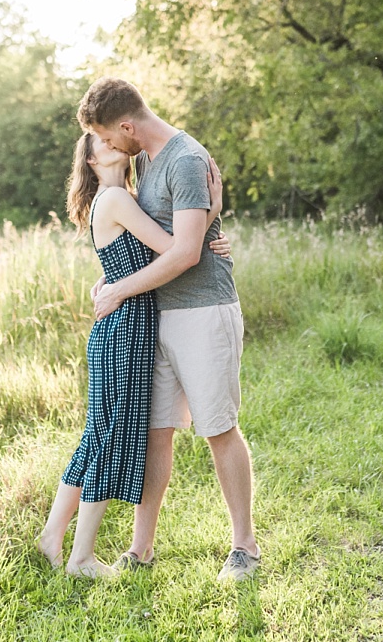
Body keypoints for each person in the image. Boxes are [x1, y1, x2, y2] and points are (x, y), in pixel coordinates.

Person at [78, 77, 261, 583]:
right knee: (157, 433)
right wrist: (114, 277)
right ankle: (141, 549)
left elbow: (184, 252)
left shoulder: (184, 158)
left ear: (127, 125)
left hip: (203, 311)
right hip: (155, 315)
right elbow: (150, 237)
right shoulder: (143, 160)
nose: (109, 147)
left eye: (109, 137)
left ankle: (244, 547)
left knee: (217, 427)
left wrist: (119, 291)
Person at [38, 130, 229, 578]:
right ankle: (81, 559)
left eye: (110, 137)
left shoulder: (123, 197)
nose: (109, 143)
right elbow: (177, 249)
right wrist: (213, 213)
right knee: (109, 439)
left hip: (122, 325)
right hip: (124, 329)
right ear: (89, 161)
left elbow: (143, 257)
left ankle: (52, 537)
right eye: (99, 143)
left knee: (97, 436)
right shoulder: (117, 200)